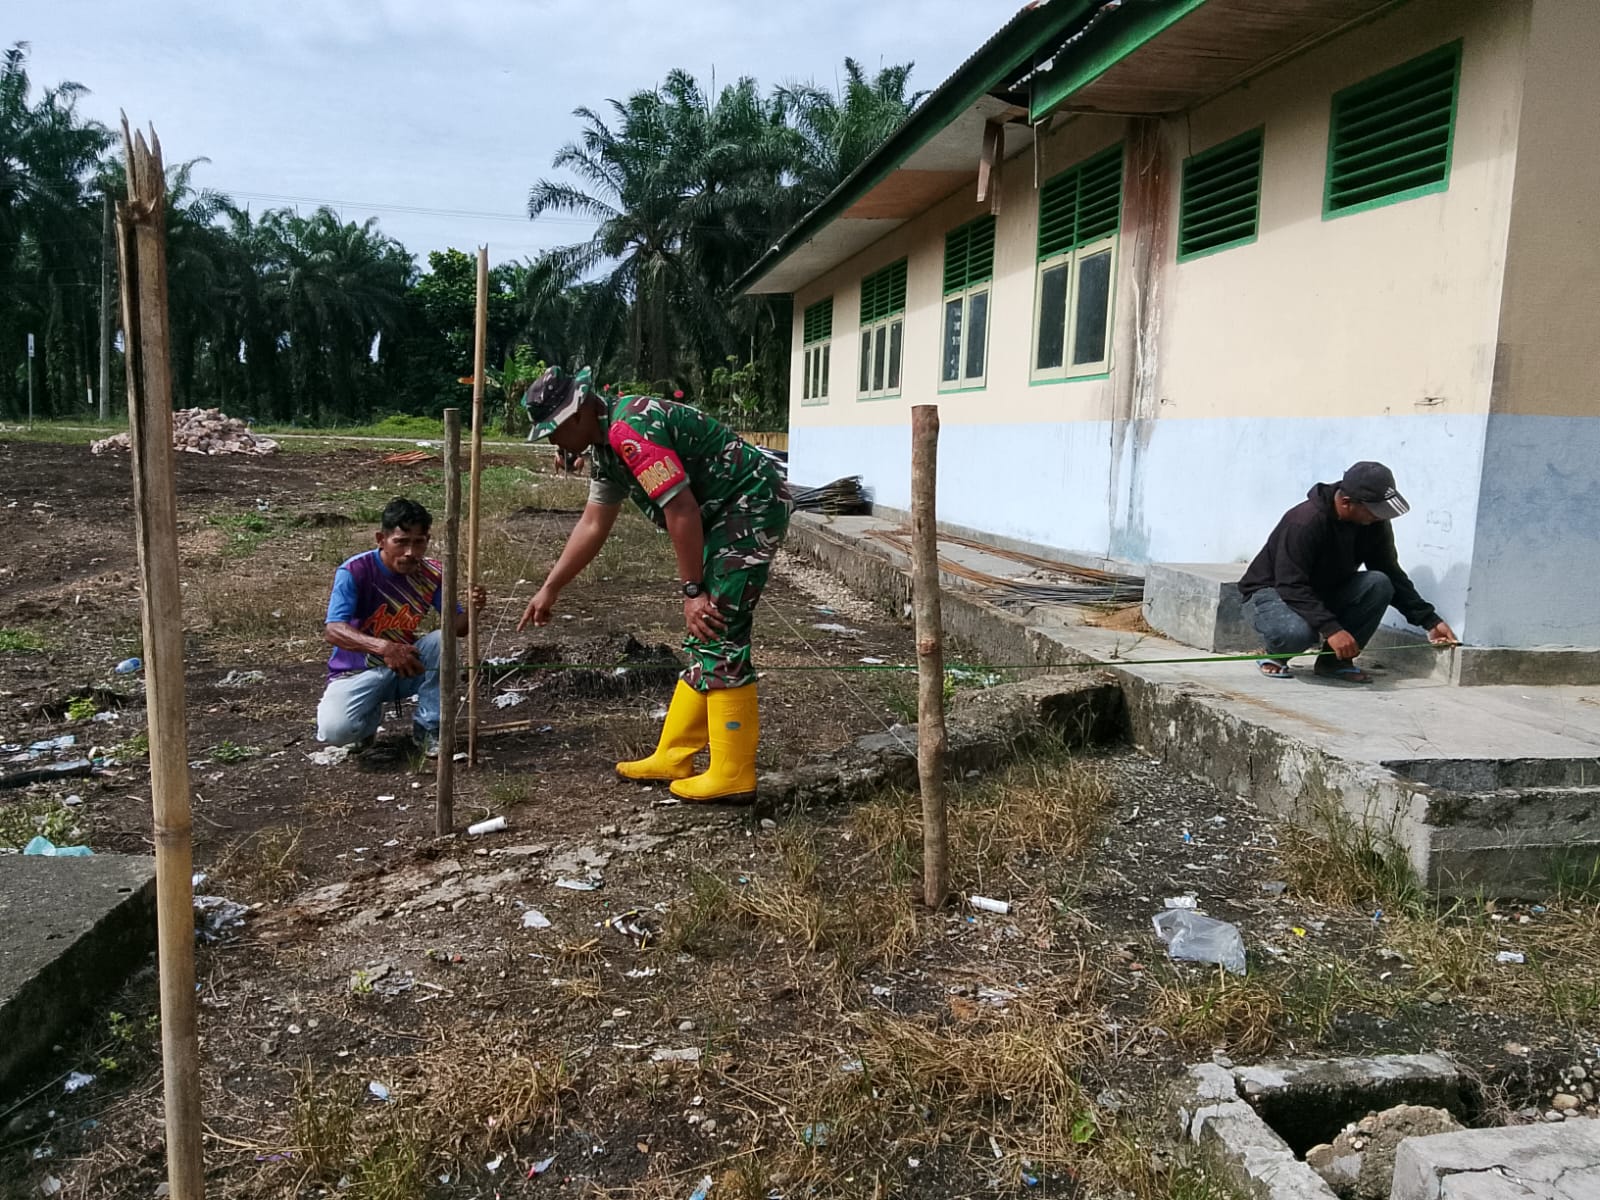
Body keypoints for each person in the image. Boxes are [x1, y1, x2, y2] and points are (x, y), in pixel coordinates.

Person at [517, 366, 791, 803]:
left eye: (554, 430)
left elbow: (680, 509)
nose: (553, 442)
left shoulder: (630, 431)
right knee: (706, 633)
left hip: (747, 504)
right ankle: (674, 755)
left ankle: (733, 772)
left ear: (581, 413)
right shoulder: (607, 448)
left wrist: (692, 591)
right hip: (720, 514)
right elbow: (592, 524)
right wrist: (551, 587)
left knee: (719, 626)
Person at [1238, 462, 1457, 684]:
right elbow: (1291, 585)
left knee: (1379, 583)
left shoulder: (1374, 523)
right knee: (1297, 633)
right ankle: (1276, 652)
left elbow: (1389, 571)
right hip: (1272, 593)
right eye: (1374, 511)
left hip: (1321, 591)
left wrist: (1429, 620)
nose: (1380, 517)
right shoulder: (1303, 522)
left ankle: (1334, 662)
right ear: (1346, 503)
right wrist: (1332, 630)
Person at [316, 497, 486, 753]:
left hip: (405, 665)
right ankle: (367, 722)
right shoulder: (355, 571)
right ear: (380, 539)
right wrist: (384, 647)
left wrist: (473, 610)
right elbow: (333, 630)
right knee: (336, 731)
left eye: (419, 543)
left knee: (441, 640)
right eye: (401, 542)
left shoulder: (433, 573)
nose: (410, 552)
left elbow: (458, 629)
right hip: (357, 672)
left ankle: (429, 728)